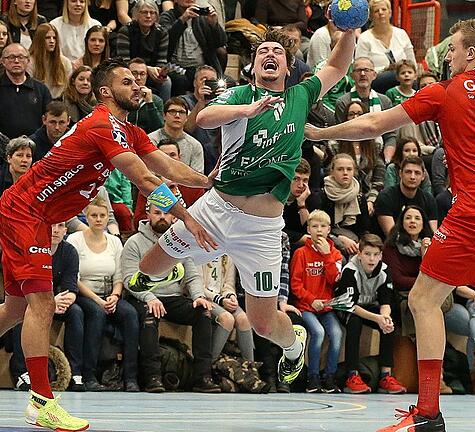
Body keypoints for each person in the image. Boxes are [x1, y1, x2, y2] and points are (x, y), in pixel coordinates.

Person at [0, 57, 214, 432]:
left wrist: (212, 184)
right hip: (25, 211)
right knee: (42, 303)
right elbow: (144, 179)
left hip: (38, 217)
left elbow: (170, 168)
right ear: (105, 92)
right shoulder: (101, 124)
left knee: (16, 307)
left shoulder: (130, 130)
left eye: (138, 80)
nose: (138, 85)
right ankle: (42, 402)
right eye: (127, 81)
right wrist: (187, 216)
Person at [304, 19, 475, 431]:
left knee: (422, 300)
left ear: (470, 52)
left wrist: (321, 131)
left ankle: (429, 413)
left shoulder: (447, 90)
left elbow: (373, 125)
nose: (446, 57)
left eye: (451, 50)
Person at [130, 27, 357, 389]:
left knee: (263, 323)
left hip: (261, 230)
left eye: (277, 52)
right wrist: (248, 109)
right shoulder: (238, 94)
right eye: (262, 51)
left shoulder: (301, 95)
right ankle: (172, 270)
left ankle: (295, 345)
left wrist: (348, 31)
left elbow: (338, 65)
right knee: (146, 269)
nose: (270, 55)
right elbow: (201, 119)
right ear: (252, 66)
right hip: (216, 211)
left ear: (287, 66)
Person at [122, 202, 221, 393]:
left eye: (166, 214)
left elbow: (192, 274)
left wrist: (198, 296)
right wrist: (149, 297)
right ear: (148, 215)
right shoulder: (134, 242)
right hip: (145, 297)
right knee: (149, 315)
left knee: (203, 312)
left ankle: (202, 377)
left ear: (173, 218)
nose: (162, 217)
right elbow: (128, 279)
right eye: (157, 213)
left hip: (173, 297)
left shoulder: (180, 241)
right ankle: (152, 376)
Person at [66, 196, 139, 391]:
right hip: (85, 294)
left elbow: (120, 275)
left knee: (131, 314)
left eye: (102, 215)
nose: (98, 219)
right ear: (86, 217)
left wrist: (115, 296)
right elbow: (75, 277)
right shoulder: (75, 239)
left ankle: (131, 377)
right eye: (94, 215)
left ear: (108, 218)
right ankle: (89, 375)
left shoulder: (115, 242)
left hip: (110, 293)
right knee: (96, 313)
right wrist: (99, 300)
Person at [9, 221, 85, 392]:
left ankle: (76, 373)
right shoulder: (33, 249)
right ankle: (21, 372)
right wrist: (50, 302)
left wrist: (61, 301)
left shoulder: (69, 251)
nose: (56, 230)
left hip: (59, 300)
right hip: (31, 299)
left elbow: (71, 287)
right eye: (52, 226)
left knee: (77, 313)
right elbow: (24, 285)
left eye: (60, 226)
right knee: (23, 312)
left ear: (66, 230)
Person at [331, 233, 406, 395]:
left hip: (370, 308)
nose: (371, 259)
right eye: (367, 254)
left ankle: (386, 376)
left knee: (389, 325)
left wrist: (384, 318)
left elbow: (385, 303)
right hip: (346, 308)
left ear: (381, 255)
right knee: (355, 322)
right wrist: (377, 318)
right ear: (359, 254)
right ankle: (352, 375)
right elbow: (351, 306)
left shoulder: (385, 271)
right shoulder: (350, 271)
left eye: (375, 255)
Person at [289, 209, 342, 393]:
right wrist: (311, 301)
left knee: (336, 334)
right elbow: (295, 285)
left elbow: (335, 280)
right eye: (314, 226)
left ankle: (330, 376)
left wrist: (327, 256)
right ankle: (313, 377)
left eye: (323, 226)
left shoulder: (335, 254)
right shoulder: (301, 253)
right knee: (318, 333)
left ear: (329, 229)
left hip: (326, 308)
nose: (319, 230)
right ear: (308, 229)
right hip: (306, 306)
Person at [0, 44, 53, 139]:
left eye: (21, 57)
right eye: (11, 57)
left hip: (34, 146)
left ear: (28, 61)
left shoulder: (41, 89)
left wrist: (33, 140)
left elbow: (49, 119)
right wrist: (3, 140)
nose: (16, 61)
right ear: (3, 61)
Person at [158, 0, 227, 96]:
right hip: (176, 66)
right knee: (181, 81)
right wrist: (182, 19)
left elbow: (221, 42)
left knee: (227, 83)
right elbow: (165, 39)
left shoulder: (201, 18)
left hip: (199, 66)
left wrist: (214, 24)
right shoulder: (167, 17)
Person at [334, 57, 396, 157]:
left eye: (367, 70)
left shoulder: (385, 101)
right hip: (350, 153)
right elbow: (341, 135)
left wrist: (387, 159)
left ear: (374, 75)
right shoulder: (343, 103)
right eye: (358, 70)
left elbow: (390, 136)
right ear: (352, 76)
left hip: (379, 153)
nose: (362, 74)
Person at [111, 0, 171, 101]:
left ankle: (162, 113)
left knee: (167, 81)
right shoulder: (125, 31)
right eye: (144, 12)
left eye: (152, 13)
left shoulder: (162, 33)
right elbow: (124, 61)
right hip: (130, 71)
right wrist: (146, 69)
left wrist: (160, 72)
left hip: (151, 74)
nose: (148, 16)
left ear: (156, 16)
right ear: (136, 14)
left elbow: (161, 61)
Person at [200, 254, 255, 361]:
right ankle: (209, 364)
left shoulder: (227, 256)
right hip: (203, 298)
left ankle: (250, 367)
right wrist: (220, 300)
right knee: (227, 319)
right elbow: (197, 286)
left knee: (244, 319)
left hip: (222, 298)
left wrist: (231, 296)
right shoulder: (199, 253)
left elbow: (229, 285)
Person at [355, 0, 415, 94]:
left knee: (411, 79)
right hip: (377, 80)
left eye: (384, 9)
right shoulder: (364, 38)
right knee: (392, 76)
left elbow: (412, 63)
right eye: (376, 11)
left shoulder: (401, 33)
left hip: (404, 78)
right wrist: (384, 70)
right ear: (370, 16)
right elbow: (360, 67)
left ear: (390, 12)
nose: (381, 13)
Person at [316, 153, 369, 255]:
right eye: (340, 169)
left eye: (349, 169)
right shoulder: (322, 195)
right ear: (332, 172)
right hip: (327, 239)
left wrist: (360, 244)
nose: (345, 173)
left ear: (354, 172)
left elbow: (364, 230)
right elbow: (318, 226)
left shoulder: (360, 197)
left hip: (354, 242)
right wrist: (340, 238)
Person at [374, 155, 437, 238]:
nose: (412, 177)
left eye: (417, 173)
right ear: (400, 173)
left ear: (423, 176)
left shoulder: (429, 200)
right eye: (408, 172)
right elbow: (392, 236)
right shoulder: (386, 197)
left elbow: (432, 235)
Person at [147, 98, 203, 172]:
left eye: (181, 112)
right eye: (172, 111)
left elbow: (198, 176)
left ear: (186, 118)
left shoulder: (195, 145)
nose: (177, 116)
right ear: (164, 115)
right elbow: (147, 172)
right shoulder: (150, 140)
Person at [27, 23, 73, 99]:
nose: (52, 41)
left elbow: (68, 89)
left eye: (54, 38)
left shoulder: (65, 62)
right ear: (40, 40)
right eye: (47, 37)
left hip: (59, 103)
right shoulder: (30, 62)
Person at [125, 57, 163, 133]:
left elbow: (159, 130)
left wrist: (149, 103)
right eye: (134, 73)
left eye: (142, 74)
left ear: (147, 76)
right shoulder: (120, 96)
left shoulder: (156, 101)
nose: (138, 78)